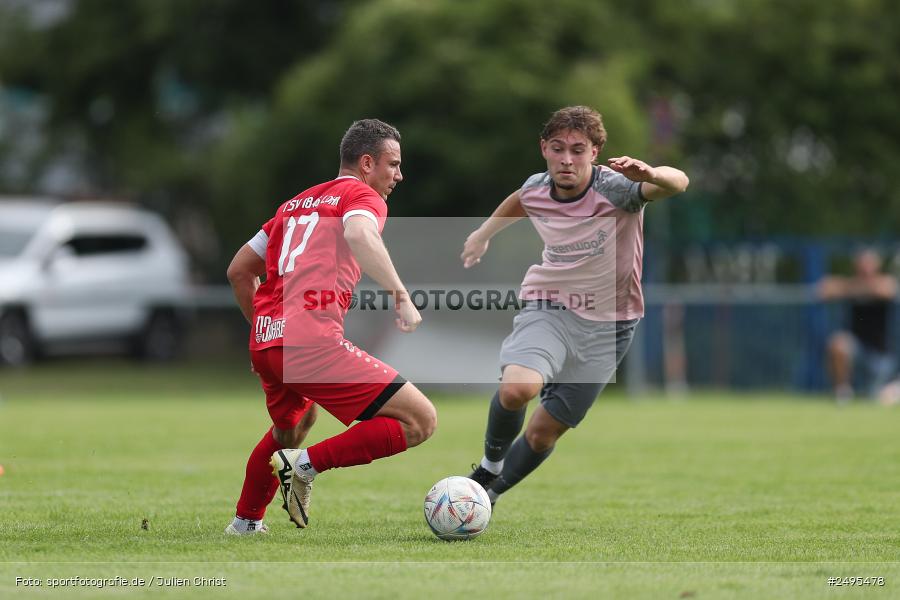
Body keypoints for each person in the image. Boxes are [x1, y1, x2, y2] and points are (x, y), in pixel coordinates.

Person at [461, 105, 689, 506]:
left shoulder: (619, 189)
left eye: (578, 150)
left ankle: (486, 498)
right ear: (544, 149)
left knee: (543, 433)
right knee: (518, 387)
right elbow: (519, 199)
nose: (567, 159)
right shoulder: (538, 186)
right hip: (551, 306)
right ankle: (489, 465)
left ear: (594, 152)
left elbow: (680, 182)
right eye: (558, 148)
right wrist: (484, 233)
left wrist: (651, 174)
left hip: (611, 325)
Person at [224, 119, 437, 534]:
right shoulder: (362, 195)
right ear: (367, 162)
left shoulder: (292, 205)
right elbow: (360, 234)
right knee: (420, 421)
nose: (398, 175)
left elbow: (238, 271)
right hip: (311, 341)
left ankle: (245, 524)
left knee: (293, 428)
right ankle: (306, 467)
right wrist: (401, 295)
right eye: (393, 165)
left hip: (270, 342)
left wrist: (266, 333)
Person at [818, 248, 897, 402]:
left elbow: (886, 289)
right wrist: (853, 288)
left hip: (880, 356)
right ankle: (842, 393)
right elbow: (825, 287)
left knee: (879, 398)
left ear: (877, 266)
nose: (866, 269)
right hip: (857, 348)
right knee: (838, 343)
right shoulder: (851, 284)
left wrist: (852, 289)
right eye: (862, 265)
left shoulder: (883, 283)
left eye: (869, 265)